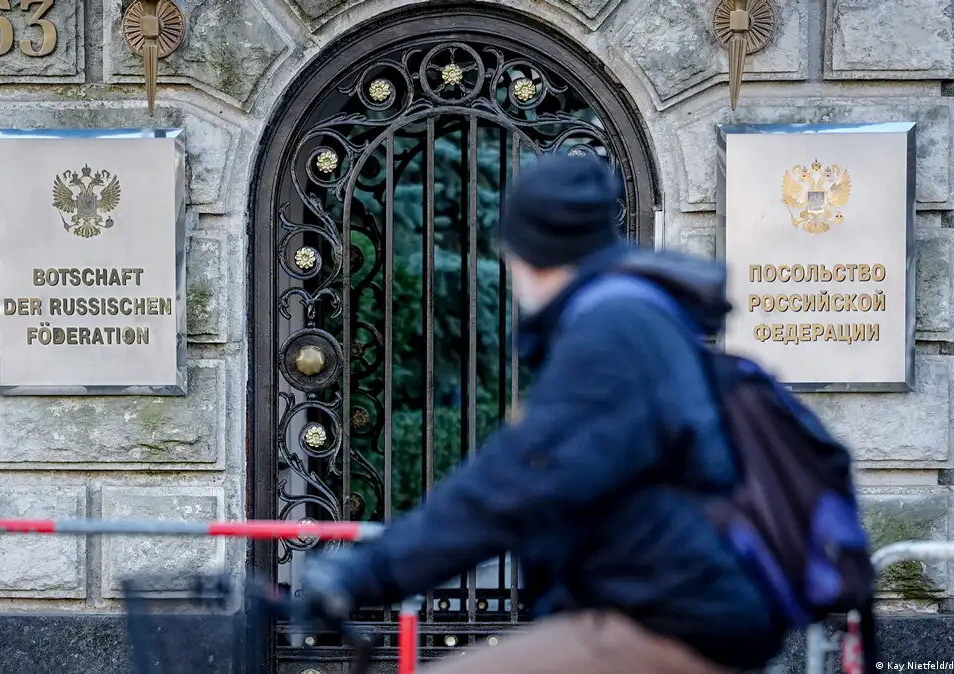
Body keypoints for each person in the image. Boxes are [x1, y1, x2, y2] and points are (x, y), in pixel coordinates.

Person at [296, 152, 787, 673]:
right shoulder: (631, 315)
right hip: (653, 603)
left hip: (671, 618)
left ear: (534, 253)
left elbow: (515, 481)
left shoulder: (613, 332)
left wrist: (366, 573)